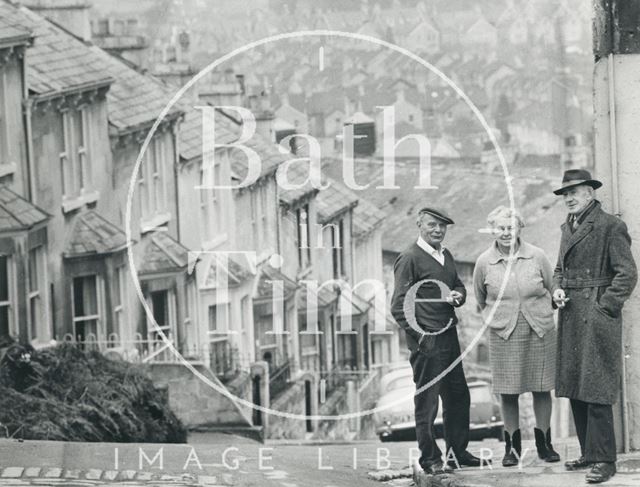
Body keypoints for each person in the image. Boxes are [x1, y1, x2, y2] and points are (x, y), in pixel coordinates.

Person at [552, 169, 637, 484]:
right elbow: (559, 267)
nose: (569, 198)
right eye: (565, 194)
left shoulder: (610, 225)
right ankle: (589, 452)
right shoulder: (568, 226)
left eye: (575, 192)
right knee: (576, 385)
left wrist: (605, 306)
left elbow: (626, 273)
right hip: (573, 311)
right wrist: (557, 288)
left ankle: (605, 460)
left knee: (596, 386)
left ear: (591, 193)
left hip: (596, 313)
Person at [390, 207, 485, 475]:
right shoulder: (409, 258)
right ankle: (430, 459)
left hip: (449, 336)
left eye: (442, 226)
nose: (437, 230)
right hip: (426, 341)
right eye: (432, 225)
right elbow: (398, 306)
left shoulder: (446, 255)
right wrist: (421, 336)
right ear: (419, 224)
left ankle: (458, 453)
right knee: (428, 401)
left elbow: (459, 285)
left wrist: (458, 295)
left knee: (458, 395)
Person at [473, 206, 560, 467]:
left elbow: (551, 284)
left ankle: (545, 444)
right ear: (493, 230)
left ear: (519, 228)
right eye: (500, 228)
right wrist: (497, 320)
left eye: (510, 227)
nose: (506, 232)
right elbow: (479, 299)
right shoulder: (483, 262)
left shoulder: (537, 256)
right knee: (508, 392)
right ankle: (511, 448)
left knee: (542, 388)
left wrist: (551, 300)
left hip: (540, 330)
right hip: (503, 334)